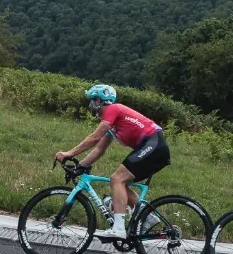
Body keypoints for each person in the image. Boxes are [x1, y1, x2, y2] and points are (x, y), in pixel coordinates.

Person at [55, 83, 171, 244]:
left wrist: (69, 153)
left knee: (117, 179)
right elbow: (99, 149)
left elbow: (94, 138)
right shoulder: (113, 124)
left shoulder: (113, 109)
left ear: (99, 101)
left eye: (91, 101)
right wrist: (79, 166)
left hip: (154, 145)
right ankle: (147, 217)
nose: (89, 106)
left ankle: (118, 229)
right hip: (152, 147)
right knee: (119, 182)